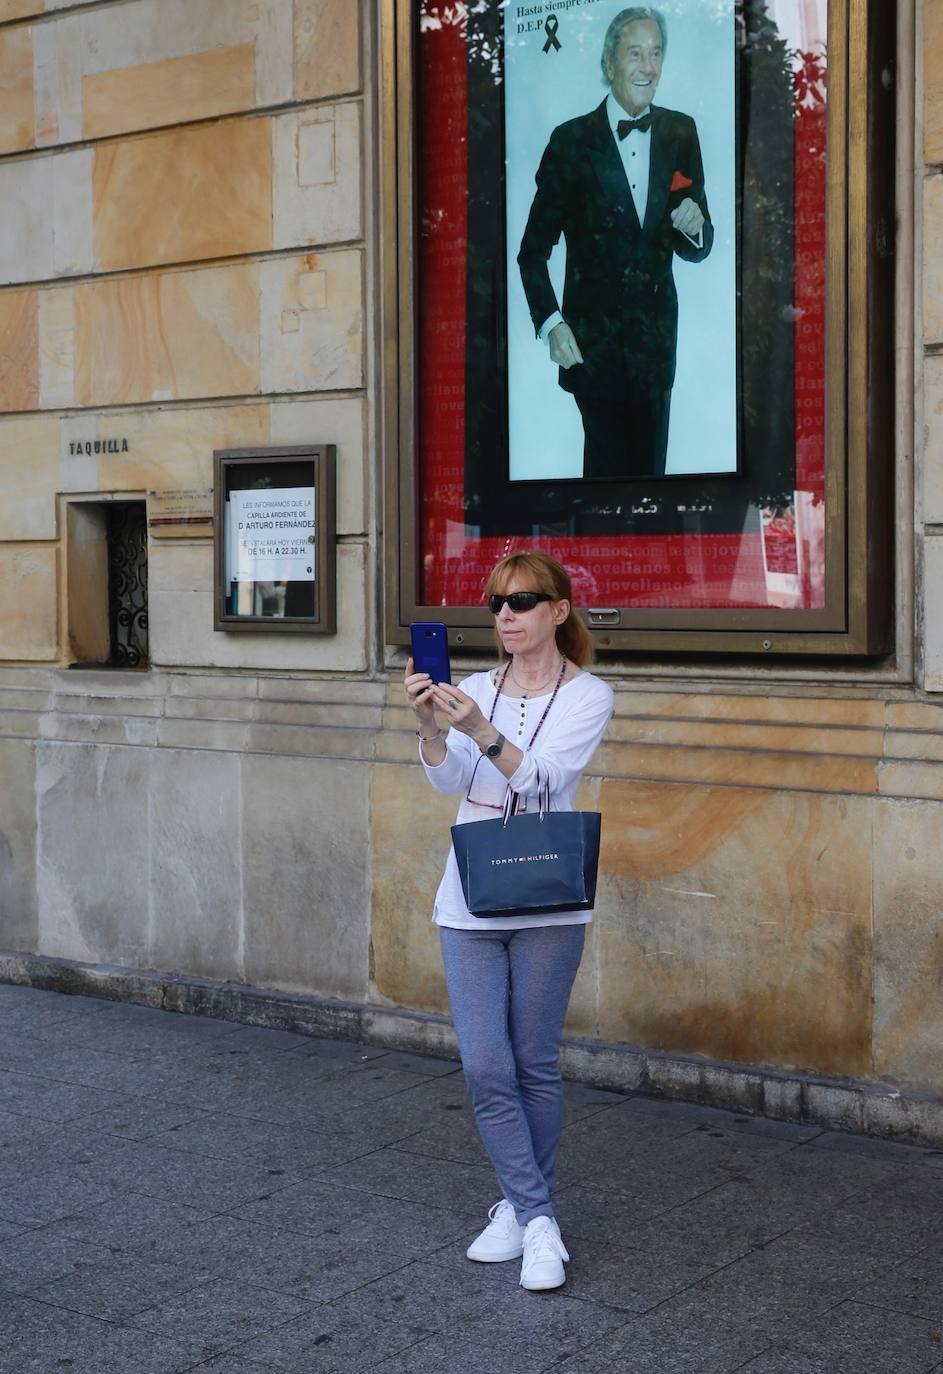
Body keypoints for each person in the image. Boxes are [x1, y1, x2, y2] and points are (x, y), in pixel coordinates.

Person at [404, 551, 614, 1291]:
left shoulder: (589, 694)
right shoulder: (469, 687)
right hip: (470, 895)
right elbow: (450, 781)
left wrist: (484, 729)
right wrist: (432, 728)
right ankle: (535, 1216)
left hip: (549, 897)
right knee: (485, 1066)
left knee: (533, 1063)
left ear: (558, 610)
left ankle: (522, 1215)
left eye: (522, 601)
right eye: (496, 602)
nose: (505, 615)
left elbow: (544, 778)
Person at [517, 6, 714, 480]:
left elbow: (697, 245)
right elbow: (532, 252)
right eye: (634, 53)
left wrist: (695, 222)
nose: (647, 67)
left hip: (655, 350)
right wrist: (551, 324)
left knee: (652, 487)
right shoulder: (570, 142)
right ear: (610, 64)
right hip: (592, 351)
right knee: (605, 487)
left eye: (656, 54)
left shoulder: (679, 131)